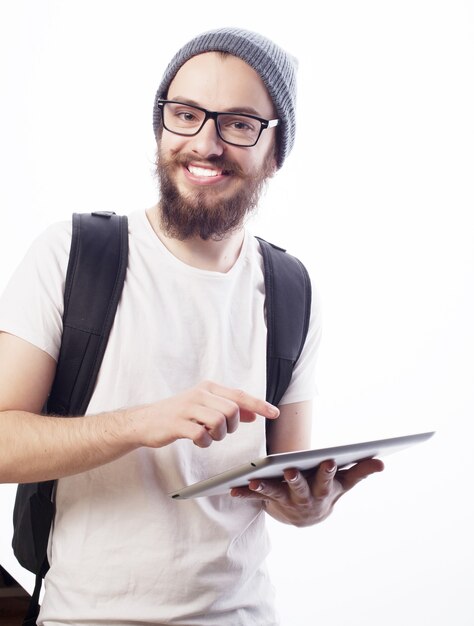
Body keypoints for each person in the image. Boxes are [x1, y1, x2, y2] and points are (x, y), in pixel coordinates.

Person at [0, 27, 383, 625]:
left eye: (237, 124)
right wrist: (145, 422)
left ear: (275, 151)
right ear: (161, 128)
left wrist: (308, 506)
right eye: (185, 115)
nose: (206, 144)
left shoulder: (291, 288)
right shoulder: (72, 254)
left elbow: (283, 483)